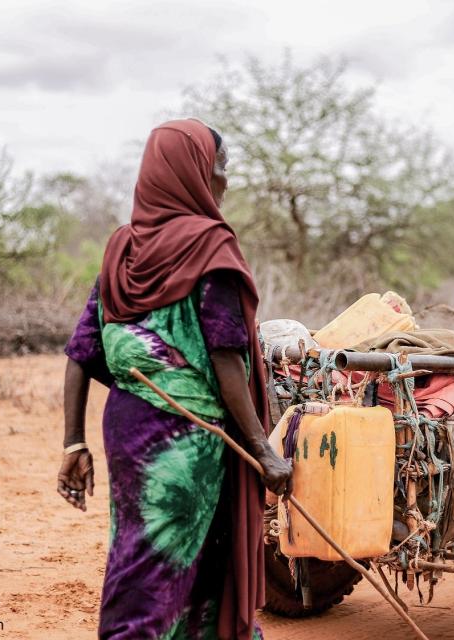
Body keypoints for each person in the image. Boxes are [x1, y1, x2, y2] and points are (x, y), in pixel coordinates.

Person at [56, 119, 292, 640]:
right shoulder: (211, 247)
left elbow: (81, 352)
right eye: (220, 166)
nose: (226, 180)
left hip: (125, 431)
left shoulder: (122, 249)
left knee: (169, 555)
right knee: (156, 570)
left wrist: (74, 441)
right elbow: (226, 355)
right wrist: (263, 449)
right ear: (191, 174)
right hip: (189, 442)